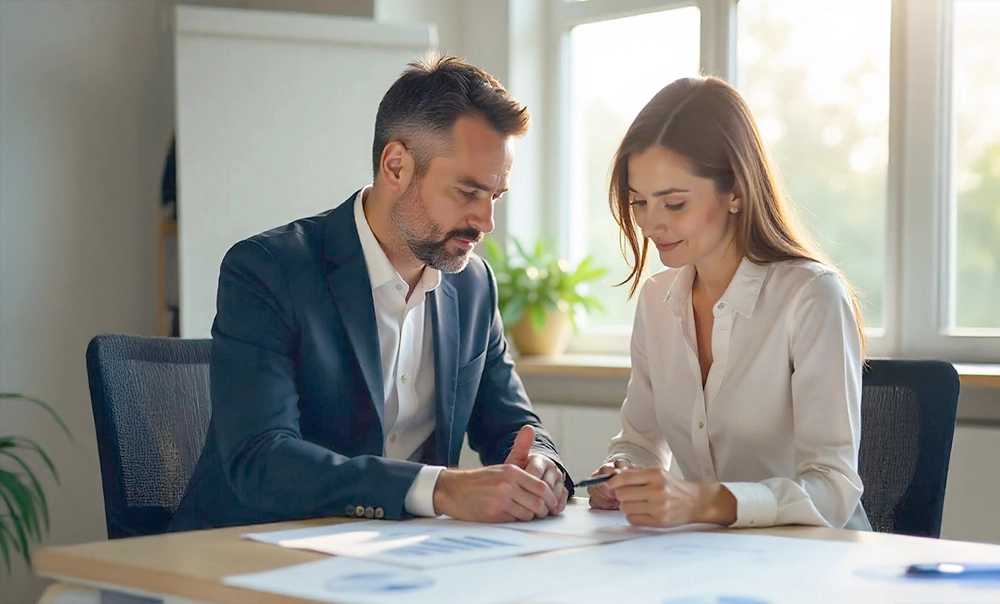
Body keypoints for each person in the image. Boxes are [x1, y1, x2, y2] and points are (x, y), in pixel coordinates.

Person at [170, 56, 572, 532]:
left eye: (495, 196)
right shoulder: (268, 270)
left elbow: (511, 424)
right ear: (396, 165)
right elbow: (261, 459)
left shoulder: (473, 285)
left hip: (399, 554)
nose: (486, 222)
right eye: (468, 192)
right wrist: (439, 488)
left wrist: (541, 462)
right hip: (245, 548)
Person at [587, 76, 871, 531]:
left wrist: (704, 502)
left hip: (814, 554)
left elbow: (833, 489)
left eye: (674, 204)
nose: (650, 224)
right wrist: (622, 472)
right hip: (707, 552)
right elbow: (640, 442)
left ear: (735, 191)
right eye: (638, 202)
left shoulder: (812, 296)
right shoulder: (658, 301)